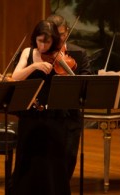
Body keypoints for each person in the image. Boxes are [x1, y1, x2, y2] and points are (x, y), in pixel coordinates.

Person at [9, 20, 74, 195]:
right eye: (40, 41)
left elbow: (73, 80)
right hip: (30, 115)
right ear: (34, 39)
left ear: (54, 41)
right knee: (27, 160)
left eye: (47, 42)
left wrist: (62, 62)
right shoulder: (27, 53)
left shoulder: (59, 56)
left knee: (54, 162)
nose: (43, 45)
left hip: (54, 117)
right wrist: (34, 66)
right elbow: (15, 76)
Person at [46, 13, 91, 180]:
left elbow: (87, 81)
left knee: (67, 163)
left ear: (67, 33)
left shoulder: (79, 54)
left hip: (71, 117)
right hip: (46, 117)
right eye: (54, 35)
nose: (59, 39)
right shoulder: (39, 55)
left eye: (62, 34)